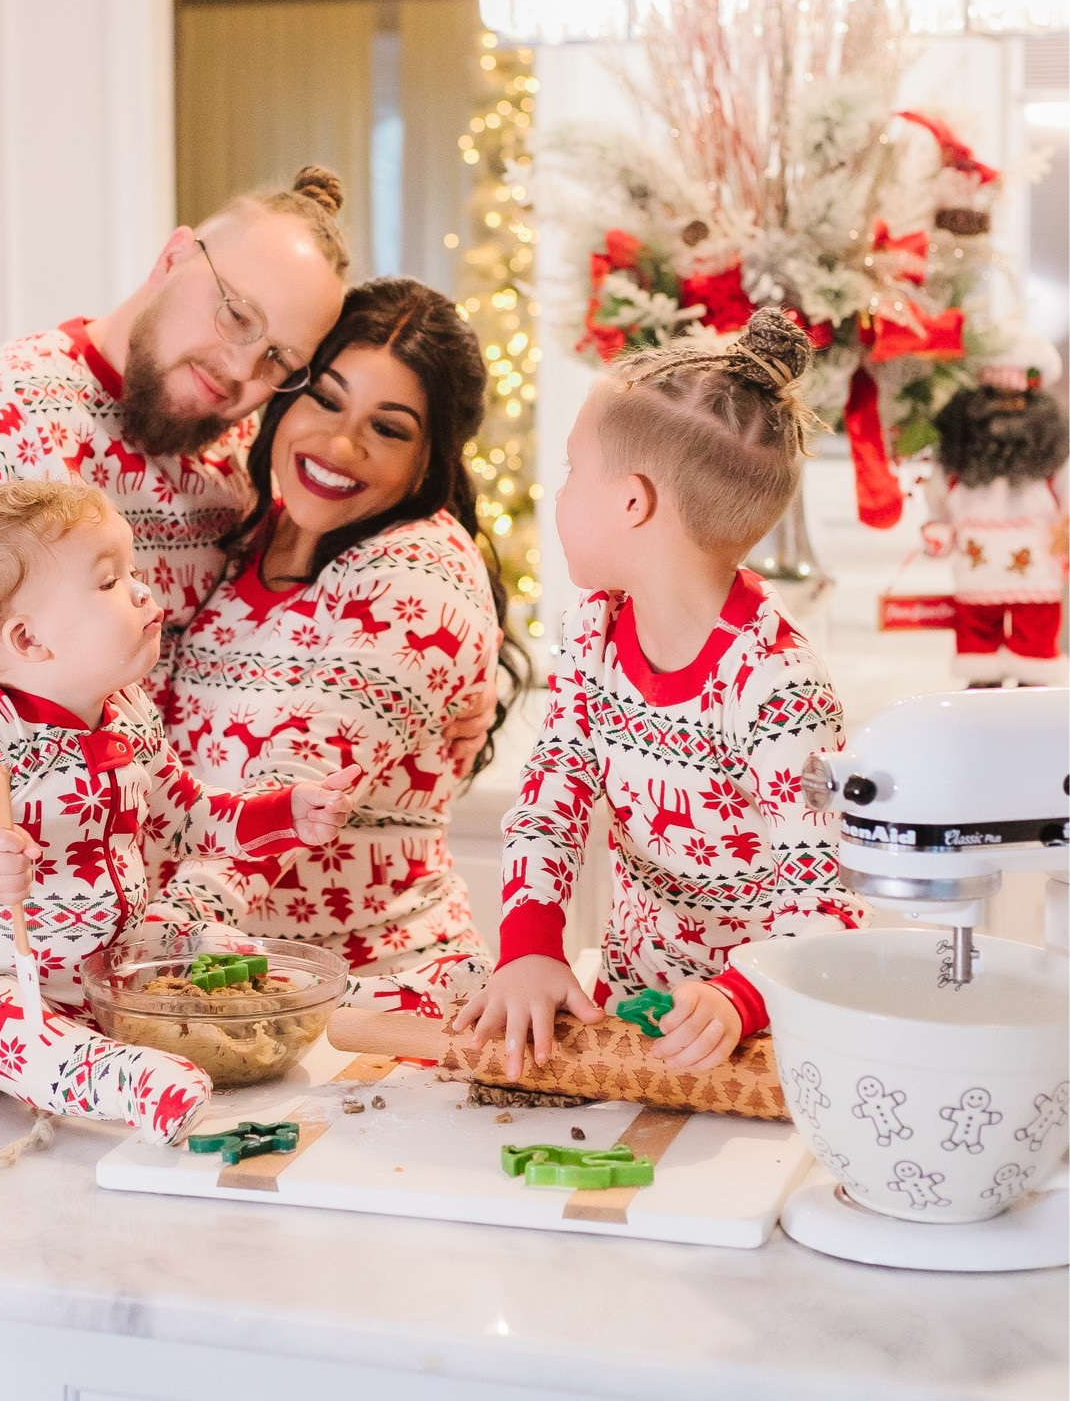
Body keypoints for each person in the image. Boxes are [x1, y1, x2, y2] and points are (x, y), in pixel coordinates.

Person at [0, 166, 493, 973]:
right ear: (173, 257)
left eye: (277, 358)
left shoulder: (231, 465)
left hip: (128, 951)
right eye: (235, 313)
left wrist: (449, 680)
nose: (240, 369)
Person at [453, 308, 865, 1077]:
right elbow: (553, 796)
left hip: (758, 1043)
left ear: (632, 503)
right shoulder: (592, 630)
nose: (559, 491)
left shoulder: (778, 687)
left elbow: (827, 901)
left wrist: (740, 998)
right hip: (624, 1019)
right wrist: (531, 950)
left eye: (575, 470)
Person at [0, 478, 357, 1144]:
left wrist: (285, 812)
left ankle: (284, 1017)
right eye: (109, 581)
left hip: (106, 974)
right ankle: (121, 1080)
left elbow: (191, 816)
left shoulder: (126, 714)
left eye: (133, 570)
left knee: (210, 942)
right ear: (30, 640)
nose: (142, 590)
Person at [150, 278, 529, 1015]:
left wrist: (164, 933)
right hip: (238, 996)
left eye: (389, 428)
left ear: (434, 458)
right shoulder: (249, 532)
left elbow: (300, 783)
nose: (339, 444)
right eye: (324, 398)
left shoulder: (420, 574)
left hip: (383, 1006)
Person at [921, 332, 1068, 687]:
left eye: (1017, 398)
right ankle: (982, 701)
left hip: (1037, 571)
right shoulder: (957, 458)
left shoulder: (1055, 457)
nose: (1007, 407)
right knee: (977, 648)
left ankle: (1032, 701)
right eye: (994, 397)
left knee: (1036, 650)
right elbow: (938, 498)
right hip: (976, 573)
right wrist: (939, 528)